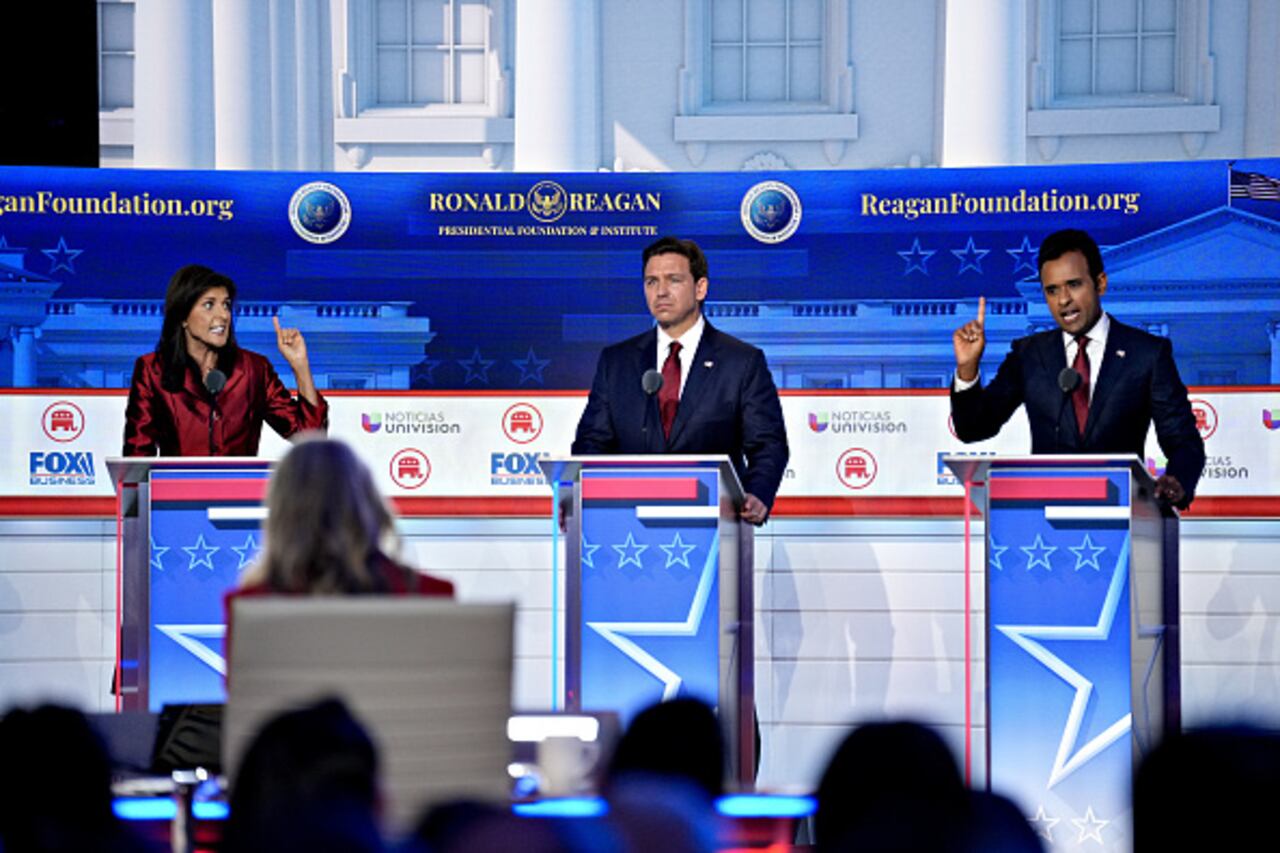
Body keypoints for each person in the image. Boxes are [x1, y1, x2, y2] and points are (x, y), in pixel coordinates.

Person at [951, 228, 1205, 508]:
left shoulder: (1146, 354)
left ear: (1100, 283)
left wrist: (1177, 480)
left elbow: (1183, 441)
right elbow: (973, 428)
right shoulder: (1029, 354)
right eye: (1052, 290)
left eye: (1073, 284)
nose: (1063, 300)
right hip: (1043, 525)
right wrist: (967, 368)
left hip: (1124, 517)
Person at [572, 236, 789, 524]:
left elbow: (768, 444)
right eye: (651, 282)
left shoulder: (741, 362)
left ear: (700, 288)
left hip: (713, 522)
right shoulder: (617, 361)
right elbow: (592, 442)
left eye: (673, 280)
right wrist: (577, 497)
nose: (660, 291)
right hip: (625, 526)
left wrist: (757, 493)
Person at [224, 436, 453, 635]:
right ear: (370, 504)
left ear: (280, 514)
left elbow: (243, 686)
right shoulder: (433, 595)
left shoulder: (249, 607)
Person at [122, 263, 328, 456]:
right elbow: (136, 457)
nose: (223, 315)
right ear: (183, 316)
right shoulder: (152, 370)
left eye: (226, 305)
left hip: (240, 493)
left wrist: (300, 366)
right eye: (209, 305)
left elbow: (309, 437)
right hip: (176, 493)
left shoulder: (255, 369)